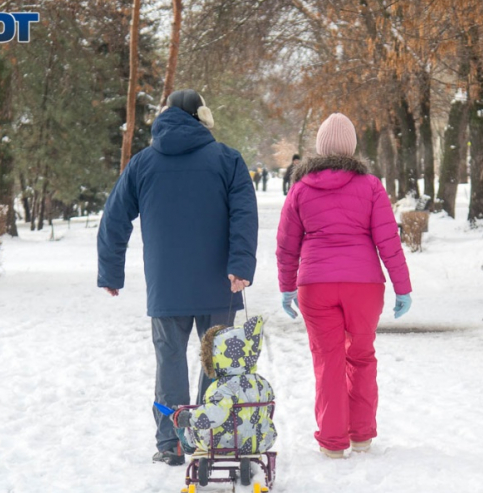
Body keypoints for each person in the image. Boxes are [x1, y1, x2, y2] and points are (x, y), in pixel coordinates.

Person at [98, 89, 258, 466]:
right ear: (201, 117)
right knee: (217, 361)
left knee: (170, 359)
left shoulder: (143, 163)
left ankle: (171, 441)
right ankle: (209, 433)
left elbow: (114, 217)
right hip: (220, 283)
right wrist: (240, 265)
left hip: (166, 286)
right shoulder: (227, 159)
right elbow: (244, 216)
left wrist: (111, 271)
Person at [275, 113, 412, 459]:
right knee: (362, 357)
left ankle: (332, 443)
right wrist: (402, 287)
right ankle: (362, 436)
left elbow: (287, 245)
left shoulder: (300, 188)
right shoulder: (370, 186)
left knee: (328, 361)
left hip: (316, 285)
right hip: (363, 286)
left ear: (319, 147)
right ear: (352, 148)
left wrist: (287, 286)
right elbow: (388, 241)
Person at [170, 315, 277, 455]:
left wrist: (190, 419)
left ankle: (187, 441)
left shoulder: (224, 387)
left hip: (223, 443)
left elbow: (215, 413)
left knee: (196, 424)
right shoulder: (262, 383)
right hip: (259, 441)